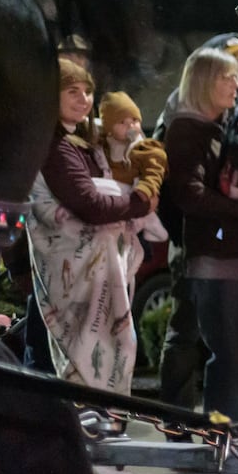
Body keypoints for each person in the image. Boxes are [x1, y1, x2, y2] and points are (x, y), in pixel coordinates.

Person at [26, 59, 160, 397]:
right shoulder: (56, 147)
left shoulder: (82, 143)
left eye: (87, 91)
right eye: (72, 91)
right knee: (86, 360)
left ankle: (104, 419)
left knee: (107, 351)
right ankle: (95, 422)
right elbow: (90, 205)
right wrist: (140, 201)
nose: (83, 98)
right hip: (79, 279)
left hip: (102, 274)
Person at [155, 33, 238, 414]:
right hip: (197, 246)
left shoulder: (230, 117)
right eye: (228, 71)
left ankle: (222, 429)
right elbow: (187, 194)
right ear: (204, 78)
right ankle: (177, 421)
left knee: (226, 348)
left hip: (222, 247)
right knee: (190, 334)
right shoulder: (186, 126)